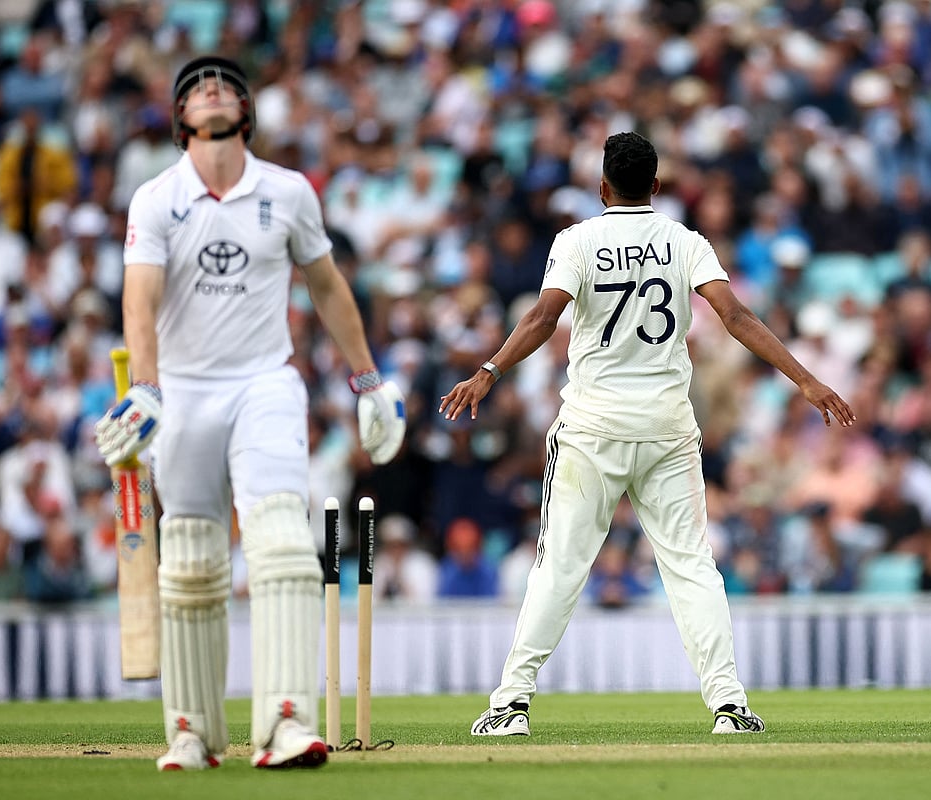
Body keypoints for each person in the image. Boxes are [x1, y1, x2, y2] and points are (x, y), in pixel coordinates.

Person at [440, 132, 855, 737]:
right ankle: (730, 706)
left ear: (602, 186)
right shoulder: (684, 242)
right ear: (656, 187)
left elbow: (541, 318)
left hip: (592, 428)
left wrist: (489, 370)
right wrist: (808, 381)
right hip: (666, 428)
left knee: (560, 565)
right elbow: (735, 317)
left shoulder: (577, 240)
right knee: (690, 566)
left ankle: (510, 704)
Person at [94, 56, 406, 772]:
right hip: (183, 389)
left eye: (223, 83)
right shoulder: (155, 199)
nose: (210, 89)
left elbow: (327, 287)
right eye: (196, 86)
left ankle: (288, 722)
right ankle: (191, 732)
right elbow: (138, 301)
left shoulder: (290, 192)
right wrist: (145, 388)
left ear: (245, 111)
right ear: (181, 120)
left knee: (283, 544)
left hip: (265, 381)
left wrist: (368, 382)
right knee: (194, 562)